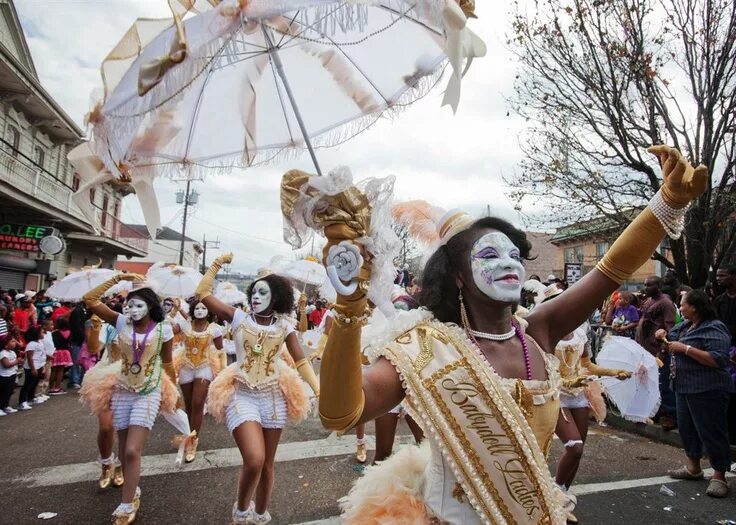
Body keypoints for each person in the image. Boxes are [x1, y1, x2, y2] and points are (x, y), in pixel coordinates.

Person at [286, 144, 706, 524]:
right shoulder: (422, 346)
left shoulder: (539, 330)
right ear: (457, 278)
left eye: (511, 253)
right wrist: (347, 305)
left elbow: (609, 270)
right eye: (488, 254)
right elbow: (340, 414)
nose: (507, 261)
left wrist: (667, 203)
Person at [199, 255, 320, 525]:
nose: (255, 296)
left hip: (273, 398)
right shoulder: (238, 318)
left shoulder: (284, 326)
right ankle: (241, 510)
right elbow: (202, 293)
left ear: (276, 298)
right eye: (254, 291)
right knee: (254, 459)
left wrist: (318, 388)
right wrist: (216, 265)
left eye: (262, 293)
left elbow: (300, 360)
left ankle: (261, 513)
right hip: (242, 395)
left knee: (267, 464)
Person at [81, 274, 179, 524]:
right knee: (124, 450)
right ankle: (132, 492)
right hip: (122, 391)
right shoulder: (121, 322)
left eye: (138, 305)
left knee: (134, 450)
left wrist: (175, 394)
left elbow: (167, 364)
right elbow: (90, 299)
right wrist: (118, 278)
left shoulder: (163, 330)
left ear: (151, 306)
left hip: (149, 391)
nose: (132, 309)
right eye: (129, 305)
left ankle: (125, 505)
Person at [544, 285, 631, 522]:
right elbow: (542, 372)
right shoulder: (545, 332)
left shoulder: (581, 333)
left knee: (577, 452)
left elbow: (587, 366)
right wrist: (568, 381)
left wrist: (614, 371)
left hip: (578, 396)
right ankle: (554, 495)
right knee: (574, 447)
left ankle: (562, 499)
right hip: (555, 395)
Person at [656, 290, 733, 498]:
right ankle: (693, 467)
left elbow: (718, 359)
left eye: (683, 305)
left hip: (707, 389)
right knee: (687, 429)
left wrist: (686, 349)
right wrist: (662, 334)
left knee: (711, 432)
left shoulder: (714, 327)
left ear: (696, 307)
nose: (680, 308)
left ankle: (719, 476)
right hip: (683, 387)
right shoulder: (687, 326)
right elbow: (671, 337)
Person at [80, 302, 125, 492]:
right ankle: (107, 462)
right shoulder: (108, 327)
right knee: (106, 427)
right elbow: (92, 349)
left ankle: (122, 464)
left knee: (127, 428)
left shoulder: (146, 327)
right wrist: (96, 324)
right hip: (107, 377)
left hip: (133, 379)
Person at [173, 298, 225, 463]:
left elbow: (220, 348)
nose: (200, 310)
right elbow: (164, 334)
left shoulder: (215, 329)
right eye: (197, 308)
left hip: (204, 366)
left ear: (208, 311)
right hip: (186, 366)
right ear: (193, 310)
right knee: (188, 404)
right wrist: (172, 312)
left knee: (197, 401)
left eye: (204, 308)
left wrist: (223, 368)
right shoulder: (184, 325)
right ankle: (190, 432)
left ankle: (193, 440)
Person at [636, 276, 677, 430]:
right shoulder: (648, 301)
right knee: (648, 383)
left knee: (663, 383)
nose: (646, 287)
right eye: (645, 284)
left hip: (658, 352)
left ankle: (670, 416)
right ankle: (655, 412)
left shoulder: (666, 303)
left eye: (649, 285)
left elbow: (670, 329)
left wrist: (662, 351)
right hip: (644, 350)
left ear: (659, 286)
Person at [714, 263, 736, 445]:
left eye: (722, 276)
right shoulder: (720, 300)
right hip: (724, 351)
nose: (718, 279)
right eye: (717, 276)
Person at [19, 324, 46, 410]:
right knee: (28, 384)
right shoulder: (31, 344)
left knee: (34, 383)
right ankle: (22, 402)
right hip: (32, 367)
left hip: (39, 365)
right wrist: (33, 368)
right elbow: (30, 357)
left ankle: (31, 397)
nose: (43, 334)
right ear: (36, 334)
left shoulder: (40, 342)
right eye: (42, 332)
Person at [48, 318, 73, 395]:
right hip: (65, 352)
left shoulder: (54, 333)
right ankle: (57, 387)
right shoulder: (69, 333)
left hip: (55, 352)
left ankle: (51, 387)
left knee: (53, 370)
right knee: (60, 371)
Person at [68, 302, 89, 389]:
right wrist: (82, 337)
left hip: (81, 339)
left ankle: (79, 379)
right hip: (78, 340)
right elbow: (76, 326)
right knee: (75, 361)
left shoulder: (84, 310)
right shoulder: (77, 311)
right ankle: (74, 380)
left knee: (82, 361)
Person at [0, 336, 19, 415]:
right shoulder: (3, 353)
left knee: (10, 391)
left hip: (12, 374)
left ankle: (6, 406)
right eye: (12, 341)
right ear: (6, 345)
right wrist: (16, 361)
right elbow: (6, 365)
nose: (15, 343)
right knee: (3, 392)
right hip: (4, 376)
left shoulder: (12, 352)